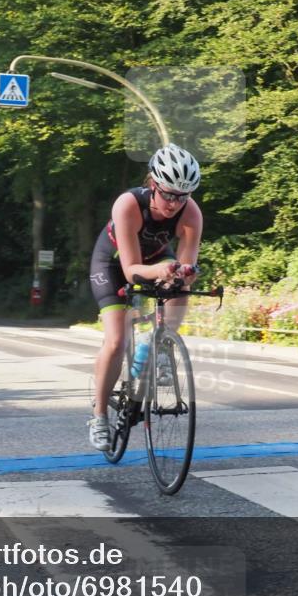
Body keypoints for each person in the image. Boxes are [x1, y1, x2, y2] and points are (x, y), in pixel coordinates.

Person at [87, 143, 204, 451]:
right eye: (168, 194)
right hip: (113, 264)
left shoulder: (191, 212)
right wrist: (164, 269)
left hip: (154, 258)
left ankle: (161, 343)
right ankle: (99, 414)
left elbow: (187, 259)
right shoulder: (127, 204)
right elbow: (130, 271)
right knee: (116, 341)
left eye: (183, 196)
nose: (174, 204)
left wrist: (184, 273)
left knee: (182, 283)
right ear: (153, 183)